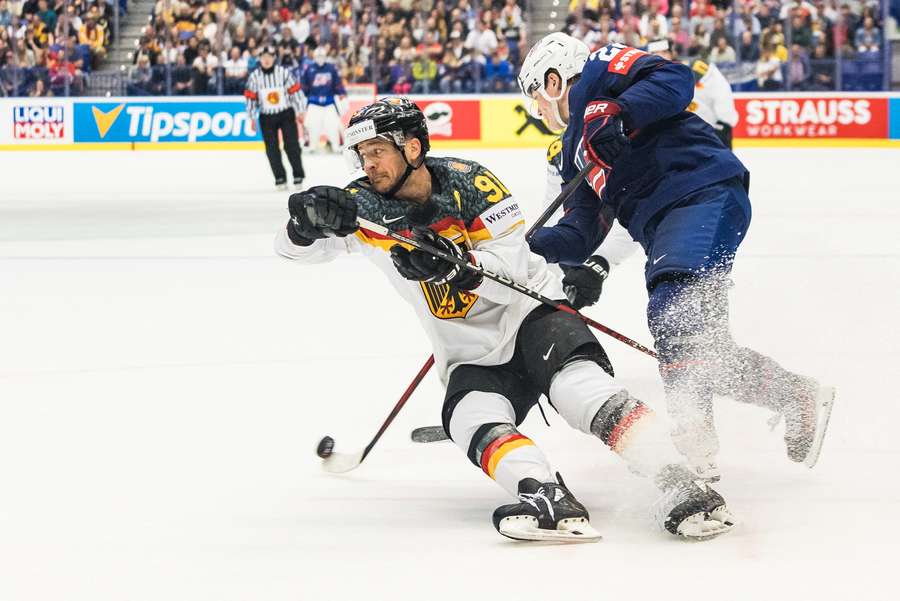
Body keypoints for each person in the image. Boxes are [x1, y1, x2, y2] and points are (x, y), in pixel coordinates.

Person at [275, 98, 735, 542]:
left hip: (533, 314)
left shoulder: (472, 183)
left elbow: (514, 270)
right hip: (468, 352)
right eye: (362, 155)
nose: (367, 164)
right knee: (469, 418)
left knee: (581, 392)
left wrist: (456, 267)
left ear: (412, 147)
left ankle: (681, 484)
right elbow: (292, 251)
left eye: (376, 151)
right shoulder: (364, 208)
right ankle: (545, 497)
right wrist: (305, 225)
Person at [518, 33, 835, 482]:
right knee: (702, 350)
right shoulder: (573, 152)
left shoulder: (598, 71)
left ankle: (694, 443)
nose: (539, 111)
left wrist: (615, 111)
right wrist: (518, 249)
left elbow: (675, 78)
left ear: (553, 79)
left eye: (537, 98)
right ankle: (796, 395)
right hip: (668, 225)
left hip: (700, 192)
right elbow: (579, 232)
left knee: (674, 311)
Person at [648, 39, 738, 149]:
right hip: (679, 136)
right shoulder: (650, 80)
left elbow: (721, 91)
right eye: (654, 54)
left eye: (663, 52)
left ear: (672, 53)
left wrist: (724, 121)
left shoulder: (697, 68)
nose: (659, 57)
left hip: (711, 131)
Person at [244, 44, 306, 190]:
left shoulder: (283, 73)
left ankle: (298, 175)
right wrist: (252, 117)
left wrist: (300, 111)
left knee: (292, 146)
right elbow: (250, 98)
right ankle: (279, 177)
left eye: (269, 57)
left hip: (286, 114)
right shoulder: (254, 77)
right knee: (271, 149)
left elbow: (295, 92)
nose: (266, 60)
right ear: (259, 59)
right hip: (266, 116)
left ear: (274, 58)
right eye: (263, 57)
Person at [300, 46, 346, 153]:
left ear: (325, 57)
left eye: (322, 56)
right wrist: (303, 96)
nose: (320, 58)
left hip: (329, 102)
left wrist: (341, 93)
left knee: (333, 125)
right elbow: (304, 86)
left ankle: (336, 146)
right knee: (311, 125)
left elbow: (337, 83)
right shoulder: (309, 69)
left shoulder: (331, 68)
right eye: (318, 56)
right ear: (314, 57)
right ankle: (311, 146)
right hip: (313, 102)